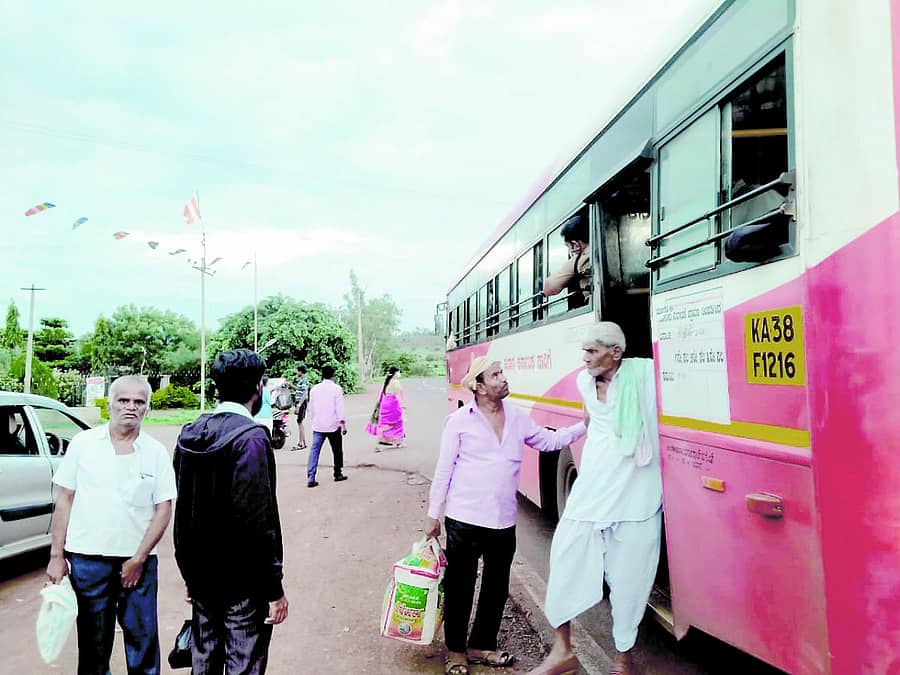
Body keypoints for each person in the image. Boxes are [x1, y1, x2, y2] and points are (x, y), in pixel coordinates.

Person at [425, 357, 587, 675]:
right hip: (464, 518)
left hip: (503, 520)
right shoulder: (459, 421)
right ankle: (456, 650)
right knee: (461, 586)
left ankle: (480, 645)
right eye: (496, 375)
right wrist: (433, 514)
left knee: (497, 586)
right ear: (480, 387)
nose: (503, 378)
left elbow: (549, 441)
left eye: (502, 373)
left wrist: (584, 425)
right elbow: (444, 469)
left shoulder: (517, 417)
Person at [528, 322, 662, 675]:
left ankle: (624, 659)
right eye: (584, 350)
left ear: (615, 353)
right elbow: (591, 421)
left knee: (630, 577)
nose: (583, 357)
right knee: (566, 555)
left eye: (591, 351)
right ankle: (562, 650)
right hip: (593, 489)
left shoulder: (644, 375)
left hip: (638, 492)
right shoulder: (584, 383)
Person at [46, 375, 176, 675]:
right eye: (123, 400)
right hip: (87, 562)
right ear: (110, 404)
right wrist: (56, 556)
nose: (131, 407)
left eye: (139, 402)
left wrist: (139, 558)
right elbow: (65, 499)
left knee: (143, 644)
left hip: (138, 565)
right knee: (93, 646)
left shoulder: (155, 452)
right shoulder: (84, 444)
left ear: (147, 408)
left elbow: (163, 509)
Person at [173, 348, 289, 674]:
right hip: (242, 583)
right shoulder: (251, 438)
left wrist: (189, 575)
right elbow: (258, 521)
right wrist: (274, 589)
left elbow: (183, 514)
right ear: (259, 389)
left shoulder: (189, 434)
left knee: (204, 663)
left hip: (201, 578)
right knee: (243, 664)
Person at [306, 364, 348, 487]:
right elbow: (340, 409)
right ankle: (337, 473)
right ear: (333, 375)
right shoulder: (336, 389)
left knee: (315, 451)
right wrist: (343, 424)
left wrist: (315, 420)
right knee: (337, 450)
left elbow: (311, 409)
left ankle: (311, 477)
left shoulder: (314, 389)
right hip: (333, 425)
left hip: (318, 425)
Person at [542, 212, 592, 309]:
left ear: (575, 245)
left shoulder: (581, 258)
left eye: (568, 246)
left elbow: (549, 288)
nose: (570, 250)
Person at [367, 365, 406, 449]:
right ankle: (398, 443)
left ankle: (380, 443)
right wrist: (402, 406)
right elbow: (398, 395)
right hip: (393, 405)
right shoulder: (396, 382)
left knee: (385, 425)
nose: (399, 374)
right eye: (398, 372)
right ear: (395, 373)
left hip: (385, 404)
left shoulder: (387, 382)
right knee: (398, 423)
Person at [291, 365, 309, 450]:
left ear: (301, 372)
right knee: (299, 422)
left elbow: (305, 394)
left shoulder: (304, 380)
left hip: (301, 403)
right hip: (300, 403)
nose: (296, 373)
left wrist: (298, 405)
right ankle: (303, 442)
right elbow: (300, 390)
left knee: (300, 422)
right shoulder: (302, 380)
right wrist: (291, 385)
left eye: (297, 371)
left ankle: (301, 443)